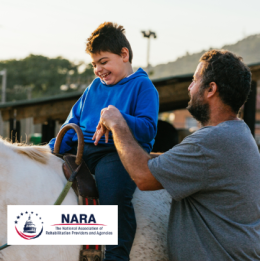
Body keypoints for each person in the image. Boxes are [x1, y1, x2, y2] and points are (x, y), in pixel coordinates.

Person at [96, 50, 260, 260]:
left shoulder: (210, 141)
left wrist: (118, 124)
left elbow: (144, 177)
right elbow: (169, 163)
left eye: (194, 80)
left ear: (211, 89)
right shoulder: (237, 134)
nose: (190, 87)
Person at [49, 22, 159, 261]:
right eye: (94, 65)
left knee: (113, 197)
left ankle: (117, 255)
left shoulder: (143, 86)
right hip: (84, 148)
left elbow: (148, 129)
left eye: (104, 62)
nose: (98, 70)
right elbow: (74, 120)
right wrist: (50, 149)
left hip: (117, 154)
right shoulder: (93, 87)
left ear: (124, 55)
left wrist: (118, 118)